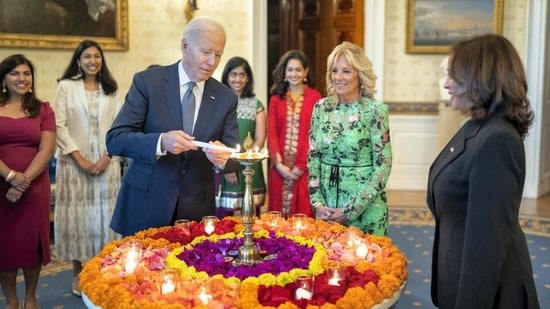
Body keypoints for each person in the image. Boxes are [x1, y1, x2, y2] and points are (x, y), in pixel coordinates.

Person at [427, 34, 540, 308]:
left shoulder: (496, 140)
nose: (446, 84)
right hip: (458, 275)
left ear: (481, 79)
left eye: (454, 76)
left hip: (489, 294)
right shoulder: (476, 127)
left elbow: (486, 247)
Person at [106, 17, 240, 236]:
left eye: (218, 55)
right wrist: (160, 142)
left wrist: (223, 159)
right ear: (185, 46)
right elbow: (115, 139)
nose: (212, 62)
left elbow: (234, 156)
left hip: (196, 211)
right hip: (146, 203)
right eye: (206, 52)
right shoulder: (148, 83)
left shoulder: (226, 97)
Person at [52, 39, 123, 297]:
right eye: (87, 57)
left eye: (97, 56)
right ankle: (78, 273)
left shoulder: (111, 89)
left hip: (107, 162)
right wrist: (80, 159)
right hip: (74, 163)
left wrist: (106, 156)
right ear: (79, 60)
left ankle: (105, 271)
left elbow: (119, 126)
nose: (93, 61)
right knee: (78, 219)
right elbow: (58, 125)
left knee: (106, 219)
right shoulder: (66, 87)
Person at [308, 41, 392, 236]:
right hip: (327, 210)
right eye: (334, 71)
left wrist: (351, 210)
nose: (338, 77)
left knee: (365, 265)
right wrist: (317, 203)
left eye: (346, 71)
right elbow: (313, 158)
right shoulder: (320, 108)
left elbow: (383, 165)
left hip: (365, 210)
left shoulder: (375, 111)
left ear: (360, 75)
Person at [0, 54, 56, 309]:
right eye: (15, 74)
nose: (22, 79)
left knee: (31, 243)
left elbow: (47, 148)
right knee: (5, 244)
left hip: (34, 187)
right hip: (1, 184)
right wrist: (11, 177)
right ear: (4, 78)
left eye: (26, 73)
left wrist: (23, 182)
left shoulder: (43, 109)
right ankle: (11, 300)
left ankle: (30, 298)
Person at [267, 50, 323, 219]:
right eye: (290, 70)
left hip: (305, 170)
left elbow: (314, 135)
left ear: (306, 72)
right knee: (277, 220)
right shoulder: (276, 99)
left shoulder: (316, 98)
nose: (294, 74)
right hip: (279, 170)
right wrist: (279, 165)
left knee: (303, 217)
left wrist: (300, 166)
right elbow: (272, 133)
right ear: (284, 72)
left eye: (298, 70)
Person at [216, 56, 267, 218]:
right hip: (225, 163)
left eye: (242, 75)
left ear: (248, 78)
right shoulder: (218, 102)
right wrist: (229, 166)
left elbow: (260, 139)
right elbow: (215, 135)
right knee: (224, 217)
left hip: (250, 164)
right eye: (233, 74)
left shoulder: (255, 104)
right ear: (226, 76)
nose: (238, 79)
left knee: (252, 215)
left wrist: (246, 161)